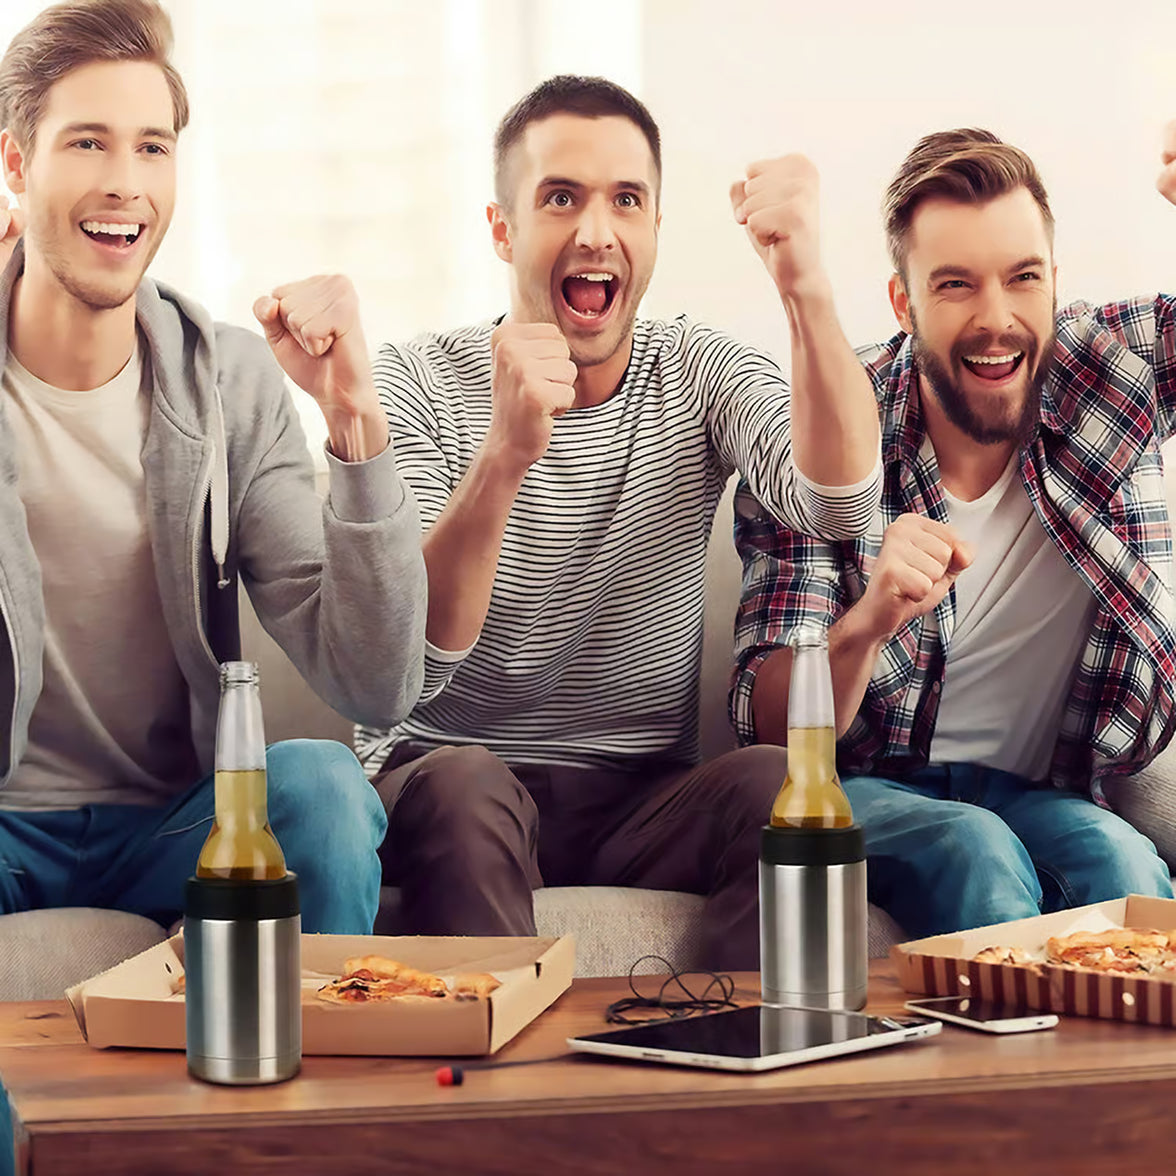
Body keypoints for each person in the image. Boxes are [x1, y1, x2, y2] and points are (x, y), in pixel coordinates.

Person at [354, 75, 881, 970]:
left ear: (654, 232)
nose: (596, 232)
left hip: (639, 794)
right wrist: (506, 455)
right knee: (467, 786)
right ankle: (501, 1103)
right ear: (502, 229)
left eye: (626, 201)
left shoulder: (700, 370)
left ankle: (742, 1074)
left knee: (784, 783)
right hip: (448, 771)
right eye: (561, 198)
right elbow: (403, 650)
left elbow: (837, 502)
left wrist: (805, 285)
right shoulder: (414, 379)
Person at [0, 0, 426, 936]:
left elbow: (373, 683)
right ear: (15, 166)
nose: (125, 183)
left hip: (177, 824)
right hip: (5, 828)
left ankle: (311, 1076)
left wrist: (353, 420)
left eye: (153, 148)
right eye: (87, 144)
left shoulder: (230, 381)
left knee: (320, 785)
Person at [732, 125, 1176, 940]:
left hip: (1046, 792)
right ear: (903, 303)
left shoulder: (1108, 367)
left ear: (1053, 284)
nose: (996, 319)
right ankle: (992, 1068)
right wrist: (869, 621)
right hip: (873, 787)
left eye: (1023, 279)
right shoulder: (827, 427)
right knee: (976, 851)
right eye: (956, 286)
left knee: (1129, 872)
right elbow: (766, 729)